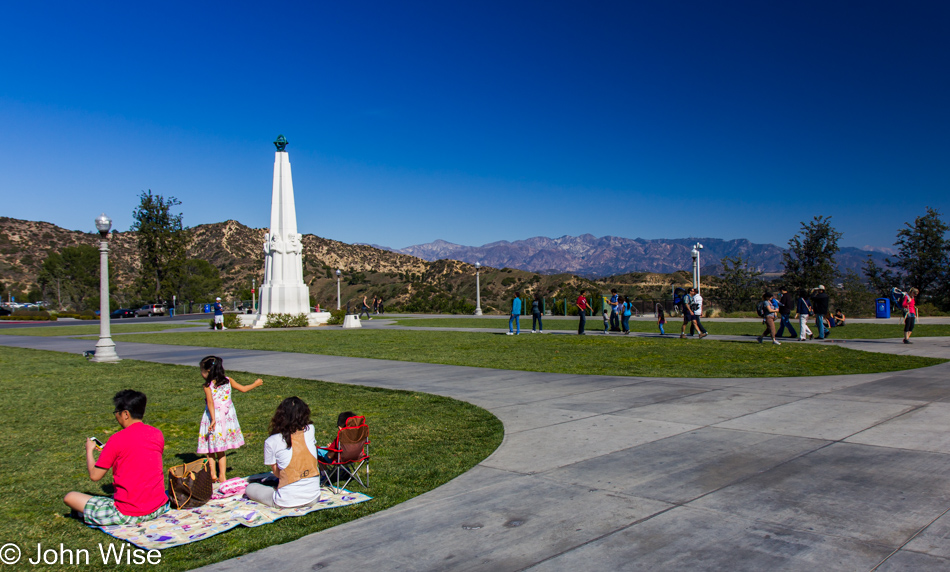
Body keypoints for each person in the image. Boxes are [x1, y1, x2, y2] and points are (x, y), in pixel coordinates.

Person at [63, 390, 170, 526]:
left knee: (70, 497)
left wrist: (89, 451)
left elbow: (95, 475)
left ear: (125, 414)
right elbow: (139, 453)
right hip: (158, 507)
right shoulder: (157, 434)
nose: (116, 416)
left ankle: (86, 514)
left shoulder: (117, 440)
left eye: (116, 412)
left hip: (129, 513)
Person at [244, 397, 324, 508]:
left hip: (286, 501)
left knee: (250, 488)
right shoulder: (310, 429)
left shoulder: (271, 441)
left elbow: (277, 474)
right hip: (313, 497)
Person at [196, 356, 263, 483]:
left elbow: (210, 403)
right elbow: (243, 389)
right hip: (226, 418)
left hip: (213, 417)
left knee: (210, 449)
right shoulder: (228, 380)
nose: (201, 373)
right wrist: (256, 384)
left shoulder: (207, 386)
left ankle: (213, 474)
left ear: (208, 371)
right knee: (220, 450)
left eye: (202, 371)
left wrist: (213, 420)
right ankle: (222, 475)